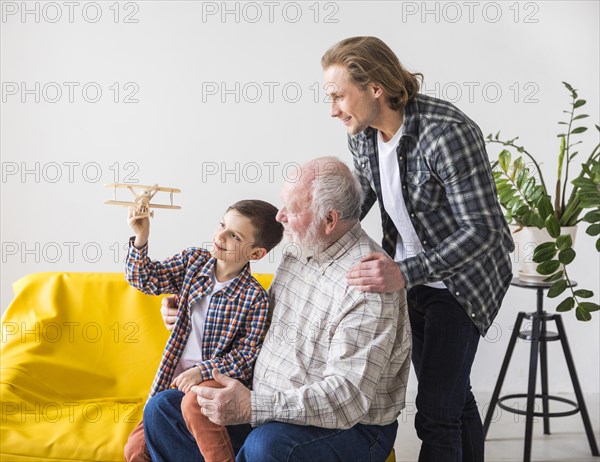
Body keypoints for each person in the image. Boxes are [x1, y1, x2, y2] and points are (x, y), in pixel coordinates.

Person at [321, 36, 515, 462]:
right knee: (454, 396)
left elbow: (482, 230)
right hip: (411, 276)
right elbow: (362, 199)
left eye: (338, 96)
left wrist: (405, 272)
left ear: (375, 88)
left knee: (435, 414)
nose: (333, 109)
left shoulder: (447, 133)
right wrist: (314, 226)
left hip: (463, 280)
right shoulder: (364, 134)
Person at [151, 157, 412, 461]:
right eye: (283, 204)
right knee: (163, 410)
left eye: (293, 209)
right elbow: (257, 322)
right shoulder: (300, 246)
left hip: (347, 427)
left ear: (329, 220)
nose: (280, 217)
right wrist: (194, 307)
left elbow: (347, 399)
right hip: (267, 405)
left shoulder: (368, 280)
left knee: (267, 445)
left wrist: (252, 405)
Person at [123, 199, 284, 462]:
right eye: (222, 225)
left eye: (234, 236)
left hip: (214, 380)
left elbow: (246, 357)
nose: (220, 236)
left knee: (195, 404)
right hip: (172, 382)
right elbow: (145, 279)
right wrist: (141, 237)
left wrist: (202, 372)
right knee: (135, 450)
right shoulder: (193, 262)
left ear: (256, 254)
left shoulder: (255, 298)